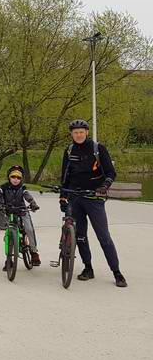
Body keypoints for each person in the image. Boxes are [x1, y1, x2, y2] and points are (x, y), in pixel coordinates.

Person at [59, 119, 126, 287]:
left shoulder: (98, 149)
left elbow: (111, 172)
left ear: (87, 132)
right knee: (80, 236)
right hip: (75, 197)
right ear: (71, 134)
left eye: (81, 131)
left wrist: (104, 186)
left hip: (94, 198)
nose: (79, 135)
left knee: (103, 236)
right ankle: (88, 268)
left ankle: (116, 272)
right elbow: (65, 176)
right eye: (75, 132)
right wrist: (63, 196)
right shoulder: (69, 150)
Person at [0, 165, 41, 269]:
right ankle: (9, 259)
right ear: (9, 177)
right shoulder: (3, 187)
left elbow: (28, 196)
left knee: (29, 229)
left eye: (18, 177)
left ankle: (34, 252)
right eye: (13, 177)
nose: (16, 179)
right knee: (9, 235)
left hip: (22, 211)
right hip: (9, 212)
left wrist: (33, 203)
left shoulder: (22, 188)